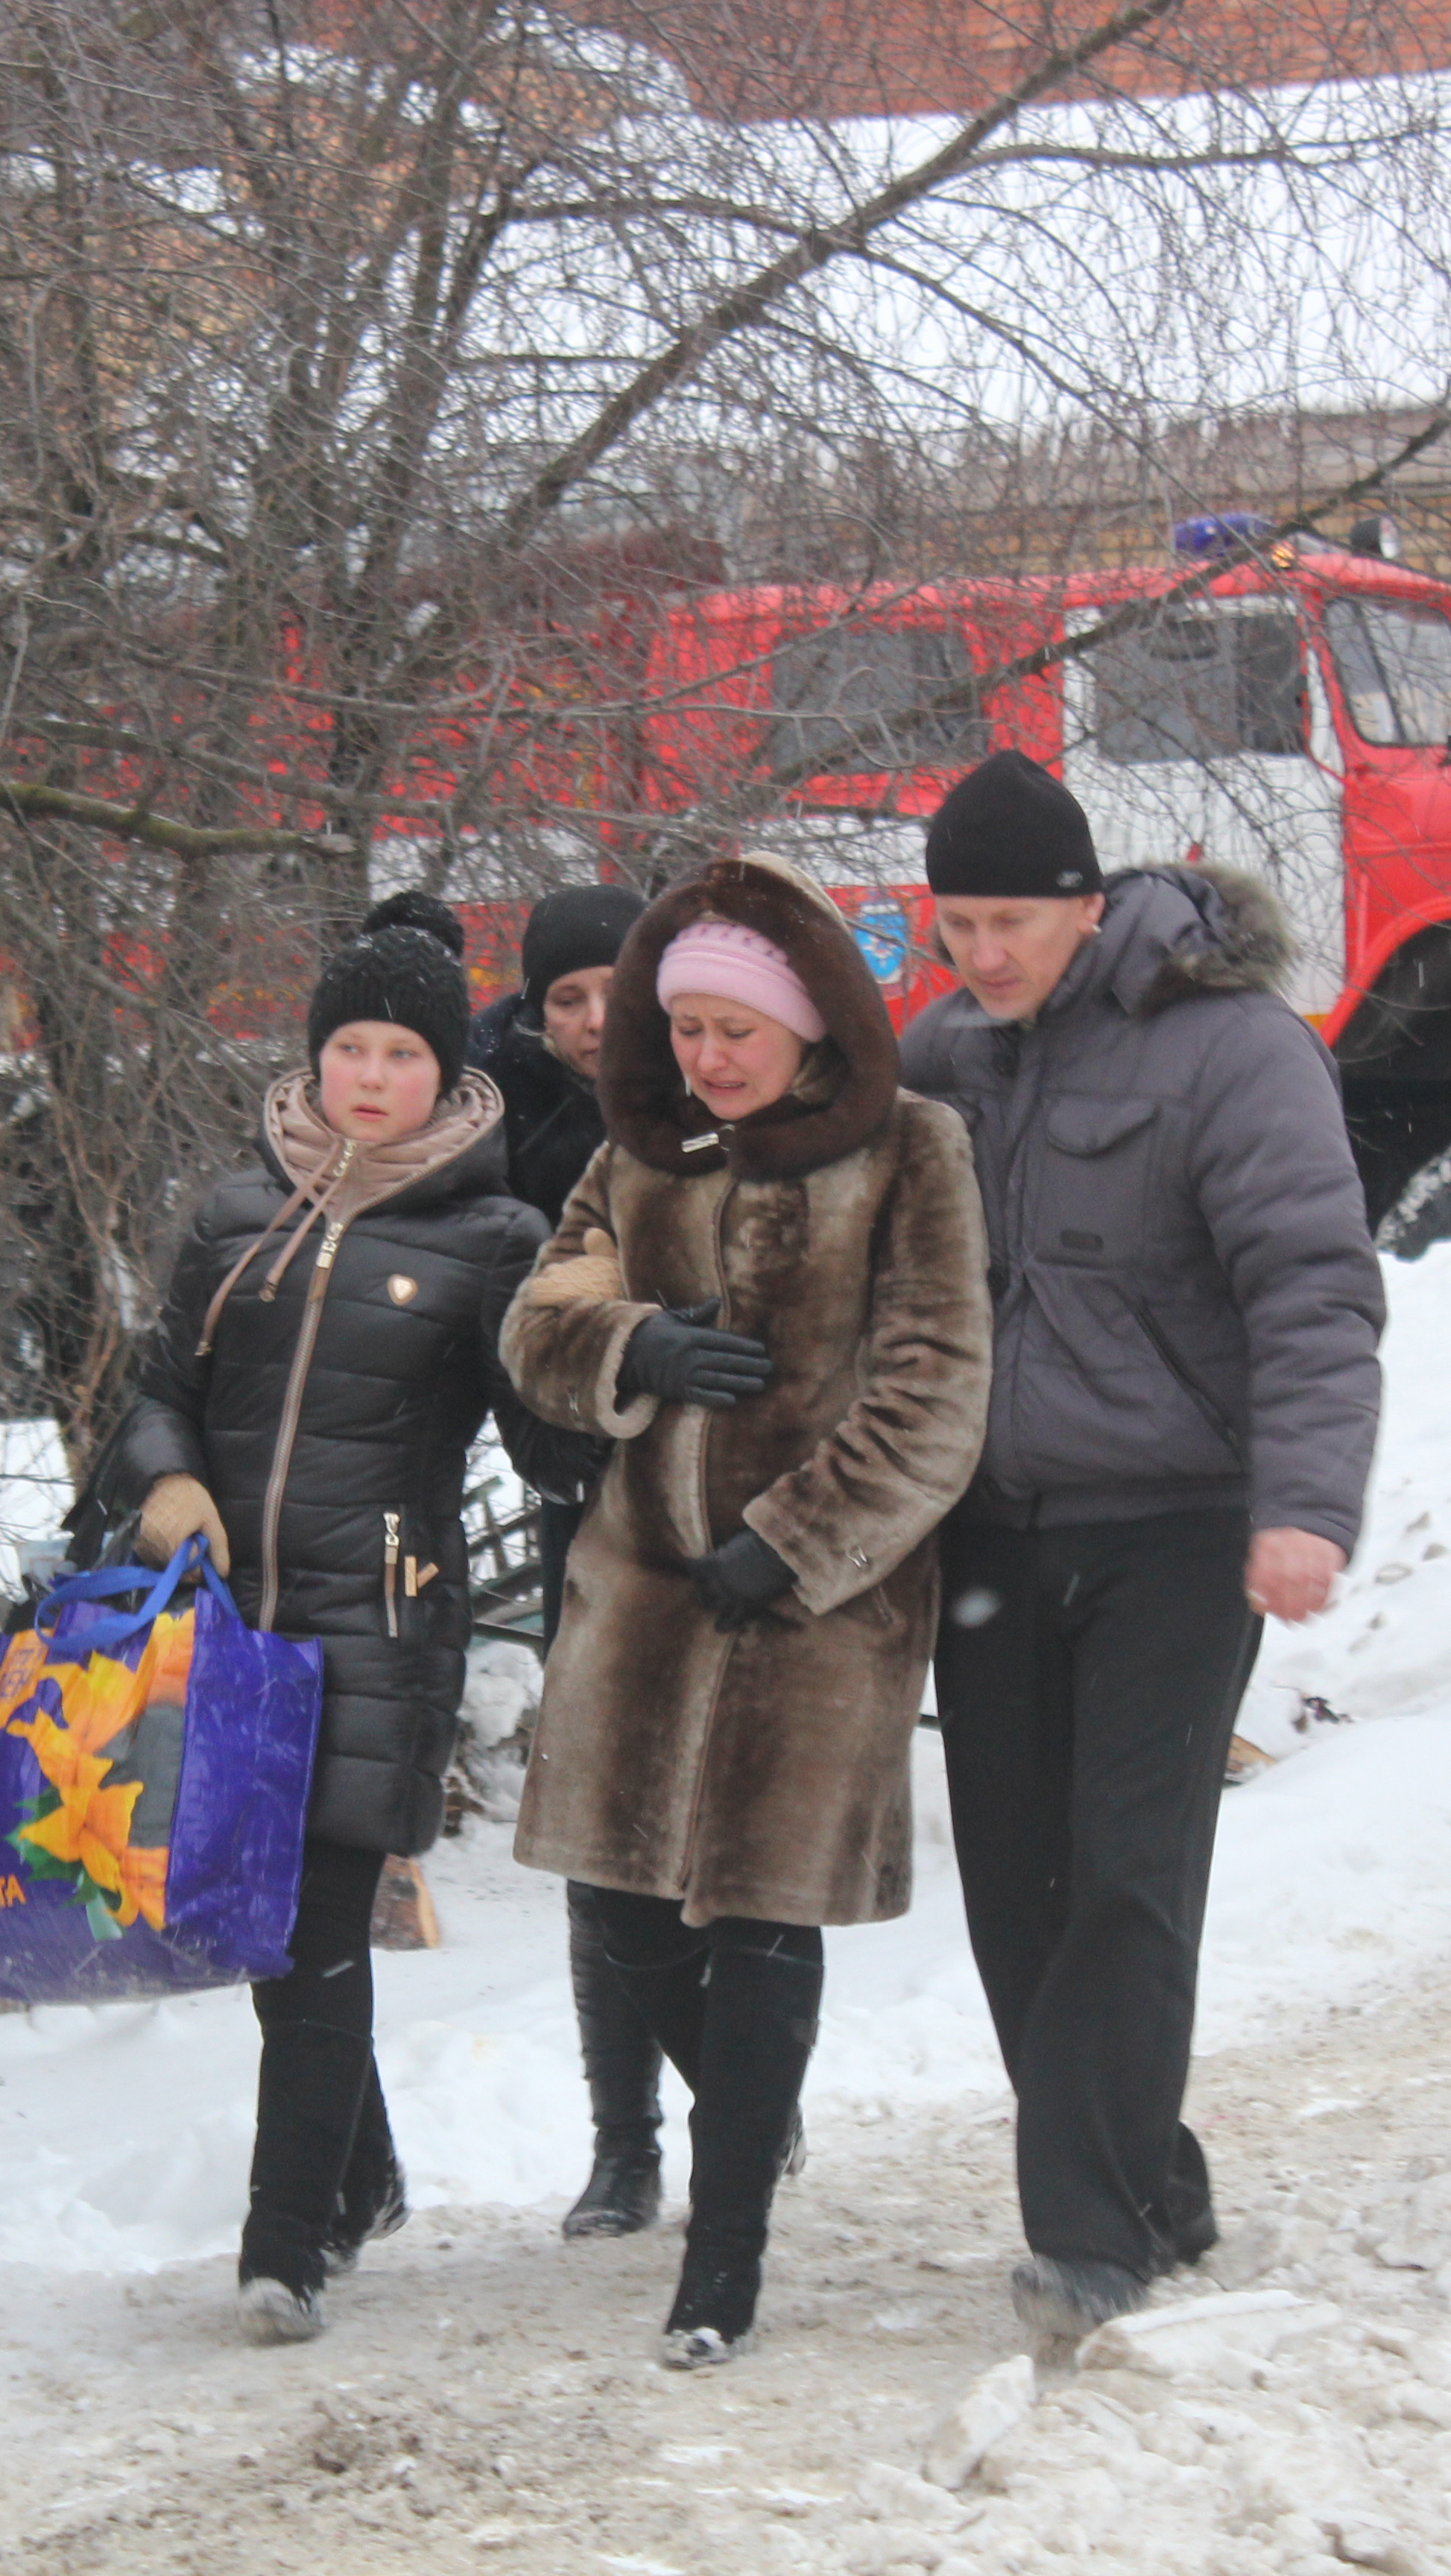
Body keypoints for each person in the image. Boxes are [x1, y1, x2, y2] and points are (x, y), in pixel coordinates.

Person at [893, 747, 1384, 2345]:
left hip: (1176, 1523)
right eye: (955, 923)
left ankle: (1090, 2232)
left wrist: (1304, 1505)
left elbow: (1312, 1284)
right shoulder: (943, 1057)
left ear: (1085, 908)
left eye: (1010, 923)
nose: (982, 955)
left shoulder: (1230, 1049)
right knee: (1019, 1898)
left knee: (1124, 1874)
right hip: (993, 1532)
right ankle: (1153, 2177)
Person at [502, 853, 993, 2365]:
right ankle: (737, 2126)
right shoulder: (634, 1158)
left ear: (808, 1028)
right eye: (688, 1027)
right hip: (641, 1597)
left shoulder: (911, 1149)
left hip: (816, 1617)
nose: (706, 1058)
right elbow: (537, 1320)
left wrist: (796, 1544)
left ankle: (723, 2266)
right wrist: (635, 1347)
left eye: (737, 1030)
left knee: (770, 1920)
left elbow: (936, 1382)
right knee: (626, 1908)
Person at [105, 889, 551, 2342]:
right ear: (315, 1059)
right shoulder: (238, 1215)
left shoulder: (496, 1236)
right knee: (261, 1935)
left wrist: (613, 1355)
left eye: (402, 1055)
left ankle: (282, 2246)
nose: (371, 1076)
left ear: (449, 1074)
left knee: (314, 1940)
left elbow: (546, 1439)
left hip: (382, 1619)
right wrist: (166, 1484)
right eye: (350, 1047)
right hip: (227, 1631)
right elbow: (161, 1393)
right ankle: (358, 2187)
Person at [472, 877, 680, 2240]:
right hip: (584, 1497)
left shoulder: (727, 1067)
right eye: (567, 999)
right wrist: (539, 1429)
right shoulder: (498, 1126)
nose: (595, 1020)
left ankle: (748, 2088)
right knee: (605, 1823)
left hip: (725, 1493)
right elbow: (484, 1294)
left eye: (615, 988)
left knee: (723, 1817)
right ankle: (623, 2143)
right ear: (538, 1013)